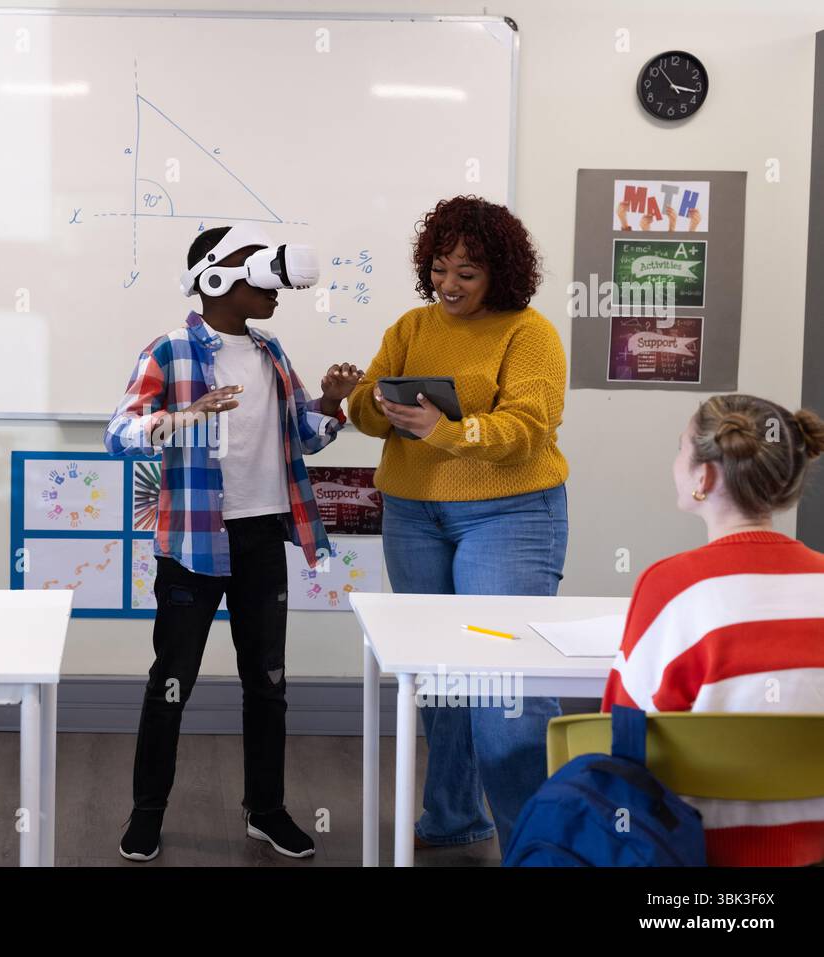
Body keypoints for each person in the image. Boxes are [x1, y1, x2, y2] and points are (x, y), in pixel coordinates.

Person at [104, 223, 363, 861]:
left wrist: (331, 403)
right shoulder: (168, 350)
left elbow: (301, 435)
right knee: (172, 680)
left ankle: (266, 810)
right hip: (193, 543)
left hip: (261, 538)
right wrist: (184, 418)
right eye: (259, 267)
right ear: (216, 278)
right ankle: (147, 812)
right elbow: (118, 435)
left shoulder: (272, 351)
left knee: (268, 682)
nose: (275, 283)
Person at [347, 195, 569, 854]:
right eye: (440, 268)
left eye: (467, 273)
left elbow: (529, 429)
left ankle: (539, 845)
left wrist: (449, 431)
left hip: (511, 513)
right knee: (440, 677)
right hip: (414, 513)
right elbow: (364, 407)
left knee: (506, 687)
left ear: (500, 272)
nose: (449, 285)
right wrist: (373, 404)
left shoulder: (530, 333)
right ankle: (451, 819)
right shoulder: (411, 326)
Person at [602, 394, 824, 866]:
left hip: (693, 849)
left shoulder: (670, 584)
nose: (675, 462)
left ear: (703, 477)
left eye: (681, 449)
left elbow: (621, 729)